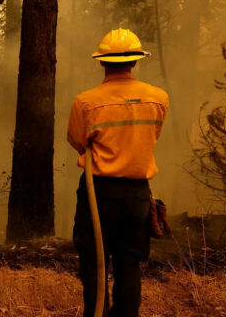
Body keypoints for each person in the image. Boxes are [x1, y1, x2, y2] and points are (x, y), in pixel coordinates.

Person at [67, 28, 169, 317]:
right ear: (135, 62)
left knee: (94, 262)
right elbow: (153, 136)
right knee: (130, 262)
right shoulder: (158, 98)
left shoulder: (86, 102)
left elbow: (77, 142)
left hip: (97, 191)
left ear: (102, 62)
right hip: (138, 195)